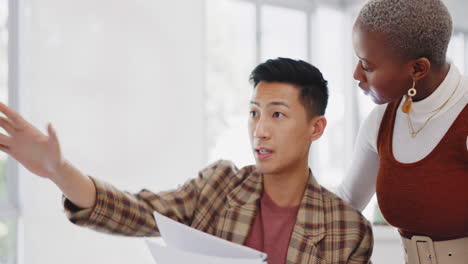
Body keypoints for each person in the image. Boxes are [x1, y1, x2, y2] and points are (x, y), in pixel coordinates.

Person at [0, 58, 373, 263]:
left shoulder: (347, 232)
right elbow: (135, 212)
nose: (259, 130)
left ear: (316, 127)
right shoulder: (220, 185)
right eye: (253, 113)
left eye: (277, 115)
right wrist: (58, 171)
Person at [336, 0, 468, 263]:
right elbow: (345, 205)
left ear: (417, 69)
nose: (356, 74)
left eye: (367, 65)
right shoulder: (380, 120)